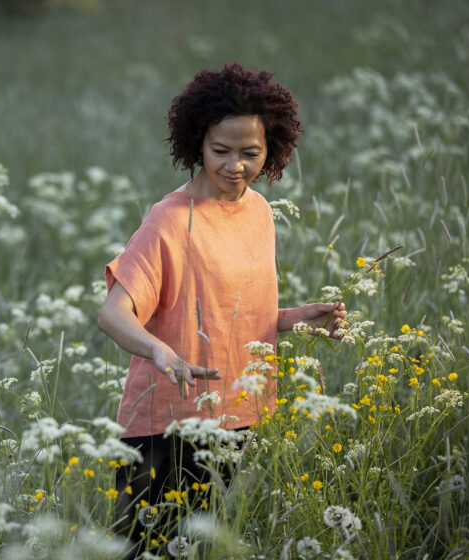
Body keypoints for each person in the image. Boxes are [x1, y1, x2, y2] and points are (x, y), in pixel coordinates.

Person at [97, 63, 347, 556]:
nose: (235, 165)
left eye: (250, 153)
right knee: (147, 551)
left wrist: (294, 318)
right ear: (197, 145)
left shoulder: (258, 211)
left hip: (241, 419)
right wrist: (158, 350)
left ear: (271, 151)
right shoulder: (168, 221)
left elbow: (233, 314)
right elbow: (113, 314)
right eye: (221, 151)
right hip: (168, 427)